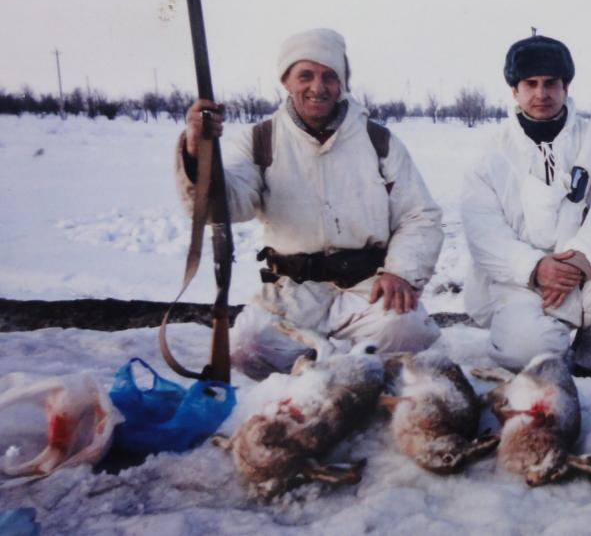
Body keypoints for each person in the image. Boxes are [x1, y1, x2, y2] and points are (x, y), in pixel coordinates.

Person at [176, 28, 443, 379]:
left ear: (342, 83)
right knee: (247, 347)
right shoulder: (260, 141)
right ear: (286, 80)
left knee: (410, 332)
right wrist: (198, 151)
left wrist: (401, 272)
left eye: (329, 76)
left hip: (367, 287)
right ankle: (334, 375)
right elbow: (223, 207)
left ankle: (342, 374)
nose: (318, 87)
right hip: (292, 293)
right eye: (306, 75)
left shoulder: (378, 141)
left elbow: (419, 214)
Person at [461, 34, 591, 377]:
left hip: (587, 271)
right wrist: (535, 266)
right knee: (528, 350)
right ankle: (546, 356)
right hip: (520, 281)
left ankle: (589, 364)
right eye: (530, 84)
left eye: (551, 83)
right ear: (514, 90)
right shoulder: (490, 153)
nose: (541, 94)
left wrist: (578, 263)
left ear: (565, 86)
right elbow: (483, 232)